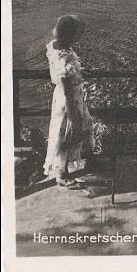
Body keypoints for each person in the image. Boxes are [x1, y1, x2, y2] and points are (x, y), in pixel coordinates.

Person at [43, 15, 94, 187]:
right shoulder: (63, 59)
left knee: (84, 127)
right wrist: (72, 114)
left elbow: (67, 73)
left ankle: (87, 159)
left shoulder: (56, 47)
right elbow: (65, 82)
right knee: (66, 133)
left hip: (68, 97)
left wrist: (78, 72)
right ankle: (62, 175)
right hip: (68, 101)